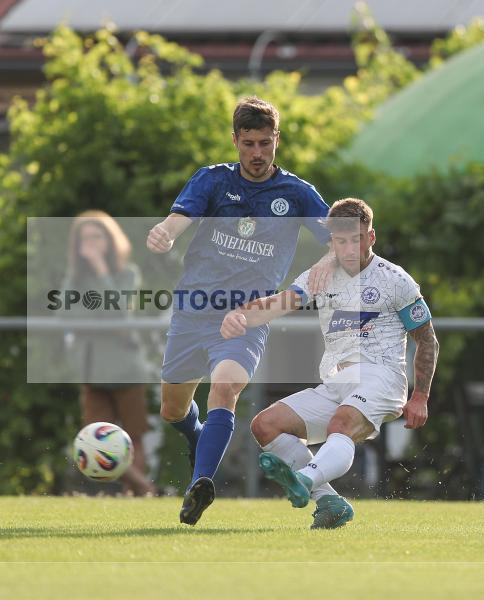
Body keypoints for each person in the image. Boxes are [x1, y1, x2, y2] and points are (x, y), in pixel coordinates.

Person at [146, 96, 337, 525]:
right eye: (248, 143)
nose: (256, 153)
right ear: (235, 140)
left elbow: (338, 241)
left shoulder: (297, 193)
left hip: (247, 317)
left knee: (226, 388)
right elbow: (179, 218)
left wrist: (325, 265)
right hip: (194, 310)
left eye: (265, 144)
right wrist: (165, 232)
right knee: (173, 409)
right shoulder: (212, 181)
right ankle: (197, 436)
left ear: (277, 141)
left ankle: (200, 483)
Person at [219, 197, 439, 528]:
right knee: (265, 425)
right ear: (331, 241)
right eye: (340, 240)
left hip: (383, 377)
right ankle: (329, 502)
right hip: (338, 382)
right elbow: (278, 304)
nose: (349, 248)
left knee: (341, 424)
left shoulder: (395, 279)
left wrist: (420, 396)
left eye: (357, 238)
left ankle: (305, 480)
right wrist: (240, 316)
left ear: (372, 237)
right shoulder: (320, 275)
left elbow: (427, 339)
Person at [65, 210, 157, 496]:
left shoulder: (127, 273)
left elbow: (118, 310)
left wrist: (102, 272)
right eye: (85, 238)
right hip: (92, 369)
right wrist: (104, 321)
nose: (91, 244)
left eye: (97, 237)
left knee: (134, 437)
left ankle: (138, 494)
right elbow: (67, 317)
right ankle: (146, 488)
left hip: (127, 367)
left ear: (109, 240)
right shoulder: (75, 280)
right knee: (94, 436)